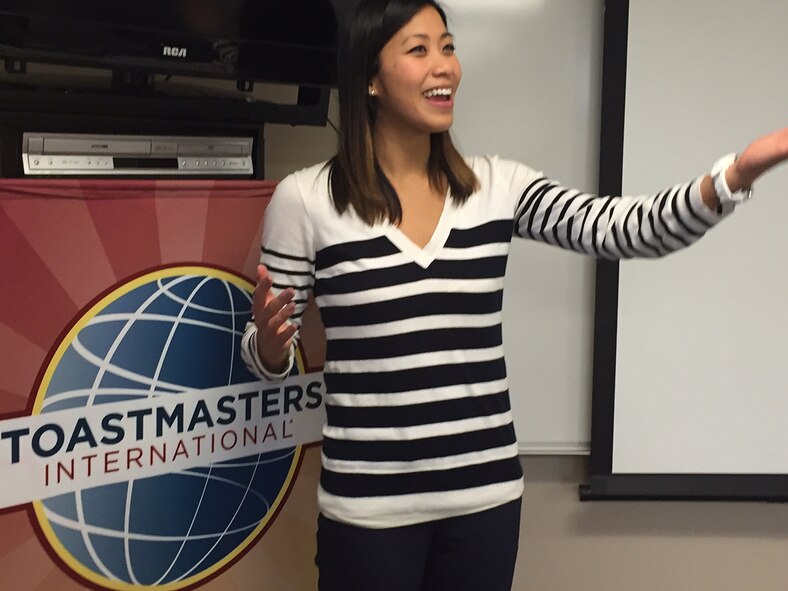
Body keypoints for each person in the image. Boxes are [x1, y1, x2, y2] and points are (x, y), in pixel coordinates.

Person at [240, 1, 788, 588]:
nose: (444, 67)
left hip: (485, 506)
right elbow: (266, 355)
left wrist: (734, 176)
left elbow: (630, 229)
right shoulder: (307, 200)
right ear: (369, 78)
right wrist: (271, 346)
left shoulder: (498, 188)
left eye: (448, 47)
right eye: (418, 49)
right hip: (367, 515)